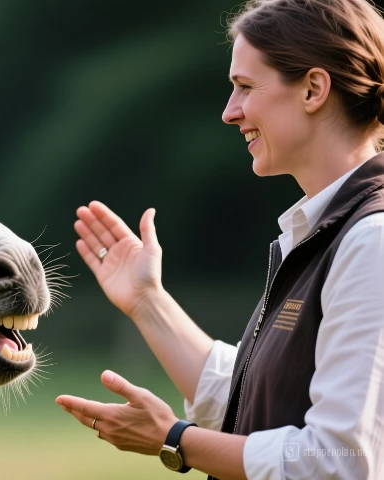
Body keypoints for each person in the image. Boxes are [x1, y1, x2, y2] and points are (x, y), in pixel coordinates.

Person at [55, 0, 384, 478]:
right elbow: (252, 398)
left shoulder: (370, 241)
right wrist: (148, 302)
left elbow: (340, 463)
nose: (230, 113)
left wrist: (174, 440)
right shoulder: (326, 232)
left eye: (245, 88)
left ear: (313, 89)